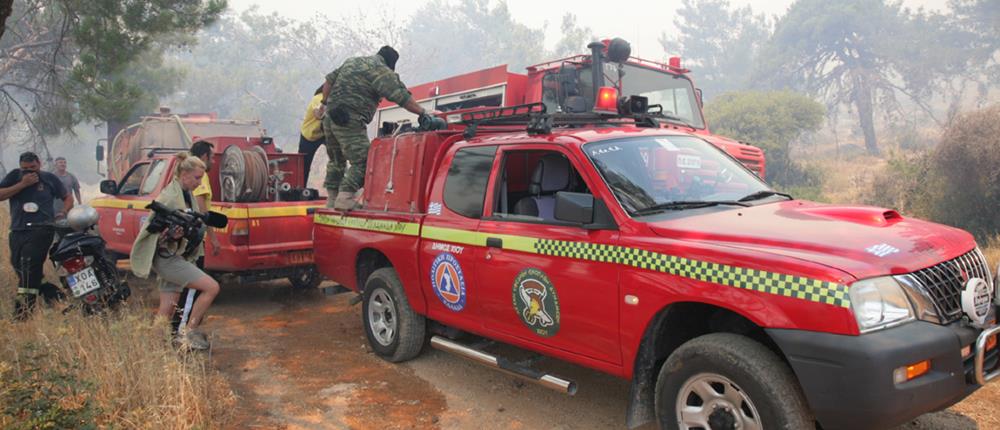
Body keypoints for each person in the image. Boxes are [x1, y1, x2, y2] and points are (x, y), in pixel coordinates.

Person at [322, 45, 438, 210]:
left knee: (336, 159)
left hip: (330, 117)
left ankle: (332, 200)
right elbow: (402, 97)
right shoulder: (381, 70)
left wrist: (325, 104)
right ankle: (345, 197)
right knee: (366, 159)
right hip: (349, 119)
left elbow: (328, 81)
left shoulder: (352, 61)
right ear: (391, 63)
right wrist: (423, 113)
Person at [130, 153, 219, 350]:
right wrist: (170, 234)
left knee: (167, 309)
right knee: (211, 287)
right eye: (197, 178)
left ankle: (153, 349)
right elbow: (153, 232)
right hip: (166, 257)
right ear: (184, 174)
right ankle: (188, 335)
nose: (199, 182)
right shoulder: (170, 197)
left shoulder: (185, 194)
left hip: (174, 254)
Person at [0, 151, 72, 319]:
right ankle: (53, 295)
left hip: (42, 229)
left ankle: (23, 313)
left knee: (30, 266)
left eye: (33, 168)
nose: (30, 172)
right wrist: (22, 185)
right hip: (18, 230)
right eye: (25, 169)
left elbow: (67, 197)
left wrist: (63, 211)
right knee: (18, 266)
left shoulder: (49, 178)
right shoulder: (15, 177)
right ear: (20, 167)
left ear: (39, 164)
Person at [299, 85, 326, 186]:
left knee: (338, 158)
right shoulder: (318, 98)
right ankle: (301, 188)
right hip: (309, 135)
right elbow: (318, 114)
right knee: (304, 165)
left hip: (324, 134)